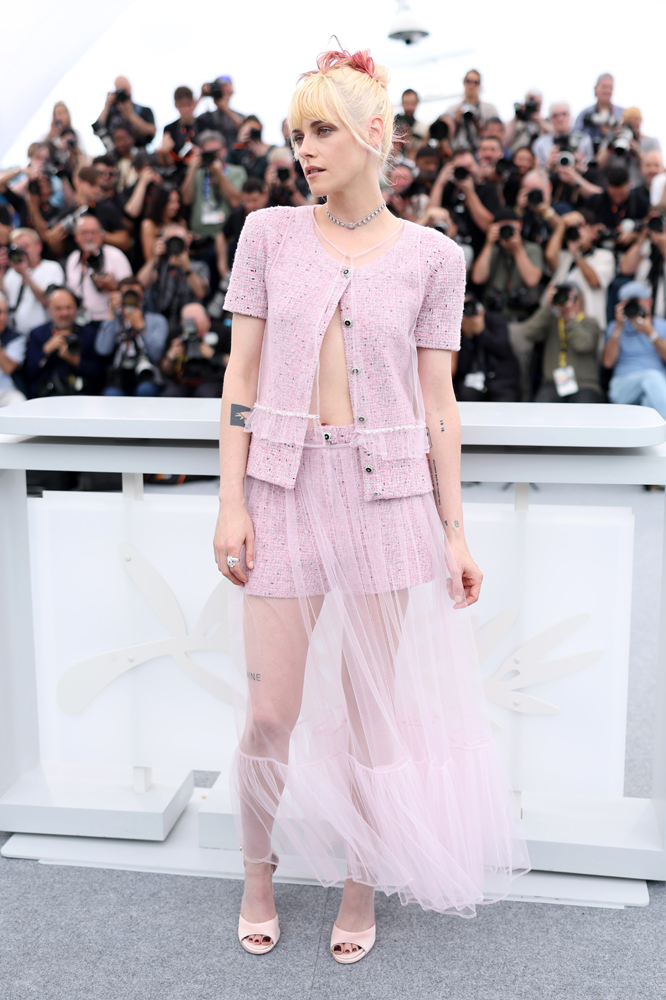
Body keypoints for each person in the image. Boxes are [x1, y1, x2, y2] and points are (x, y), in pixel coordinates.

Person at [213, 45, 527, 962]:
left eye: (320, 129)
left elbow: (439, 404)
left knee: (371, 715)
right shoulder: (267, 235)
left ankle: (362, 882)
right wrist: (231, 501)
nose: (303, 147)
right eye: (296, 131)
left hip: (390, 504)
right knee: (271, 714)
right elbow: (238, 375)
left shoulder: (436, 257)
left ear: (374, 134)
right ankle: (257, 870)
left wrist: (454, 530)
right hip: (281, 488)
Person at [471, 207, 544, 398]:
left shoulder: (531, 249)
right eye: (502, 228)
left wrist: (517, 248)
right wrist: (488, 244)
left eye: (510, 228)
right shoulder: (494, 250)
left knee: (521, 371)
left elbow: (532, 280)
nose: (506, 233)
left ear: (520, 226)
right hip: (494, 322)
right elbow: (478, 277)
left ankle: (524, 408)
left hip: (520, 323)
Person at [524, 283, 604, 402]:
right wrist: (547, 307)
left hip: (584, 384)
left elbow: (583, 345)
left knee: (584, 409)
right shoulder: (551, 321)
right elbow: (528, 333)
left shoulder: (590, 322)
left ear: (579, 299)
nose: (564, 300)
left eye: (570, 296)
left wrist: (571, 317)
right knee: (542, 409)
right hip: (553, 383)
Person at [24, 286, 103, 397]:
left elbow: (99, 373)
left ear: (76, 308)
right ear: (50, 309)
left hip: (82, 395)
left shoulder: (89, 334)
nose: (64, 313)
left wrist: (75, 361)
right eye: (58, 308)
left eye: (68, 307)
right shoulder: (38, 334)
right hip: (47, 395)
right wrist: (46, 350)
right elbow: (29, 372)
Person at [603, 281, 666, 418]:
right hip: (623, 386)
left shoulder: (661, 326)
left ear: (649, 302)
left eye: (638, 301)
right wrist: (619, 326)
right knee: (651, 377)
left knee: (648, 401)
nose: (635, 307)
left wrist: (651, 333)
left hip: (658, 387)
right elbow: (608, 362)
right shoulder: (615, 327)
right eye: (629, 303)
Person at [95, 277, 168, 396]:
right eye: (126, 294)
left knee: (145, 390)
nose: (131, 297)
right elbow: (103, 350)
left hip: (147, 376)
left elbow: (156, 356)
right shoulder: (114, 321)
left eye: (135, 294)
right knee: (111, 394)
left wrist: (142, 327)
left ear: (143, 295)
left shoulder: (156, 320)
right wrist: (111, 314)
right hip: (119, 377)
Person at [545, 209, 615, 329]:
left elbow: (594, 281)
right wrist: (562, 224)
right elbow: (550, 256)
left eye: (581, 227)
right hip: (559, 326)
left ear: (593, 231)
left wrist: (577, 254)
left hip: (589, 327)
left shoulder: (604, 256)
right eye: (573, 229)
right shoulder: (565, 255)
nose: (577, 232)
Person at [136, 223, 209, 335]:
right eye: (171, 240)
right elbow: (140, 283)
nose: (175, 245)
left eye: (179, 240)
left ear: (188, 241)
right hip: (162, 321)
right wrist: (154, 258)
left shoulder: (199, 266)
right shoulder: (160, 265)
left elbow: (201, 292)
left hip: (191, 323)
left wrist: (187, 269)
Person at [428, 147, 499, 258]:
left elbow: (487, 225)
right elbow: (429, 217)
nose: (466, 172)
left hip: (477, 253)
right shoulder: (447, 189)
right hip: (445, 253)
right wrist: (440, 183)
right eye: (460, 168)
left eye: (469, 166)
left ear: (477, 166)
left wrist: (469, 192)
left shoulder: (488, 189)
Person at [65, 215, 132, 323]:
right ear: (76, 236)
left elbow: (131, 292)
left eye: (93, 232)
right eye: (84, 232)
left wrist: (113, 287)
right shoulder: (73, 259)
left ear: (101, 234)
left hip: (110, 320)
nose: (89, 237)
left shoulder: (115, 256)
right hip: (81, 321)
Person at [452, 295, 520, 401]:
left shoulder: (494, 320)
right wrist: (466, 337)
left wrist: (481, 332)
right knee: (465, 395)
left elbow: (503, 350)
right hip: (474, 383)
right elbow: (461, 368)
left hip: (501, 381)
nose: (467, 312)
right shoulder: (459, 329)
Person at [181, 131, 246, 241]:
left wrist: (219, 174)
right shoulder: (197, 173)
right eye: (208, 152)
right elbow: (186, 199)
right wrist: (191, 169)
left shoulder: (237, 171)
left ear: (225, 149)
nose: (213, 155)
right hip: (199, 237)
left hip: (226, 238)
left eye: (216, 151)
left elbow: (236, 202)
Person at [0, 228, 64, 334]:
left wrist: (26, 274)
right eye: (18, 248)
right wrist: (1, 271)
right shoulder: (12, 273)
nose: (23, 251)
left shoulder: (51, 268)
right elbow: (5, 300)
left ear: (39, 246)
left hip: (42, 334)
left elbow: (47, 300)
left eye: (26, 246)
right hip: (17, 334)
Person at [160, 302, 226, 396]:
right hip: (183, 381)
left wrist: (213, 355)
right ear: (181, 323)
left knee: (207, 393)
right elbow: (165, 371)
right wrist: (171, 356)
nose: (194, 326)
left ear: (207, 319)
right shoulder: (176, 335)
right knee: (170, 394)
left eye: (197, 322)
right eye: (189, 322)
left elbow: (234, 364)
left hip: (212, 381)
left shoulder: (222, 332)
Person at [440, 69, 500, 152]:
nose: (471, 86)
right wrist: (454, 122)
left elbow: (497, 134)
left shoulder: (490, 109)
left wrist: (477, 124)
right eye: (468, 81)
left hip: (481, 152)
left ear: (480, 85)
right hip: (457, 151)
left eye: (475, 82)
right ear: (463, 83)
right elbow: (443, 137)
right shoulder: (452, 109)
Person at [93, 76, 156, 150]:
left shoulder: (143, 110)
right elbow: (97, 130)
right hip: (115, 155)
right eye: (119, 90)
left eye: (124, 90)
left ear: (130, 89)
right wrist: (106, 106)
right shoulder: (110, 112)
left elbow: (152, 131)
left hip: (139, 153)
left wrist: (131, 116)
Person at [533, 103, 593, 169]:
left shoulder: (583, 139)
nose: (560, 119)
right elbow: (537, 171)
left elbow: (592, 166)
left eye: (564, 114)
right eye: (555, 115)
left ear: (571, 117)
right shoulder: (540, 143)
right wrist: (548, 165)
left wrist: (582, 163)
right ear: (550, 119)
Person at [196, 76, 244, 152]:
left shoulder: (239, 117)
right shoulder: (205, 117)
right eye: (220, 92)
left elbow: (244, 128)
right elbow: (188, 119)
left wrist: (225, 108)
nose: (222, 96)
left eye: (226, 93)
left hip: (233, 158)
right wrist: (201, 95)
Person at [574, 74, 624, 145]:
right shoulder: (585, 114)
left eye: (610, 87)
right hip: (588, 153)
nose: (607, 91)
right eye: (604, 87)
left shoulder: (621, 113)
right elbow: (575, 135)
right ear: (595, 88)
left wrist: (612, 132)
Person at [141, 185, 186, 262]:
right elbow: (148, 258)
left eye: (178, 201)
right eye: (170, 202)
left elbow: (184, 253)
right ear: (161, 202)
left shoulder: (181, 223)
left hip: (179, 265)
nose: (175, 206)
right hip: (157, 267)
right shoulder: (149, 225)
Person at [160, 86, 200, 170]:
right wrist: (162, 152)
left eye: (189, 105)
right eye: (181, 105)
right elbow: (168, 163)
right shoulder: (170, 129)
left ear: (194, 103)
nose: (186, 109)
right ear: (176, 105)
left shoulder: (203, 124)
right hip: (179, 172)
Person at [0, 291, 27, 405]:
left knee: (19, 402)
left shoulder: (17, 338)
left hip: (7, 392)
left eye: (2, 312)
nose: (0, 317)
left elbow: (8, 368)